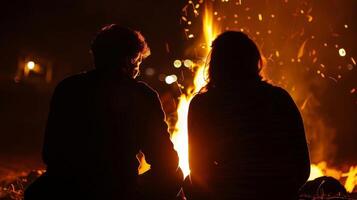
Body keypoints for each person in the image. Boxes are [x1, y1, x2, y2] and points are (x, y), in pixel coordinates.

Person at [25, 24, 182, 200]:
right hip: (117, 190)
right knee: (175, 175)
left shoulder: (68, 88)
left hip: (65, 187)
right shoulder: (142, 94)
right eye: (138, 62)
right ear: (130, 60)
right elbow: (166, 161)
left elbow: (50, 152)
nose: (137, 71)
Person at [184, 31, 310, 199]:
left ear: (215, 65)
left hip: (226, 193)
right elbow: (302, 165)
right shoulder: (279, 98)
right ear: (254, 61)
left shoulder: (203, 104)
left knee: (188, 182)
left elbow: (197, 167)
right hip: (276, 192)